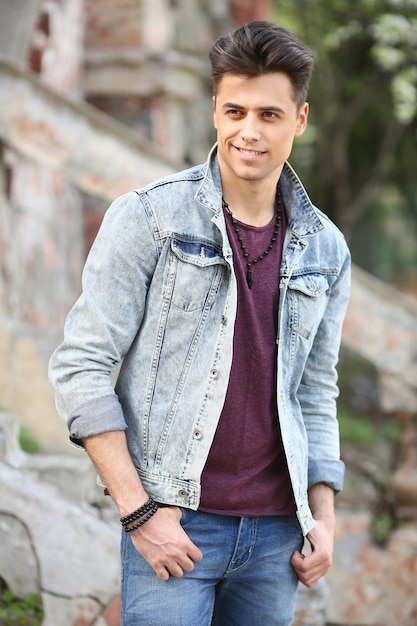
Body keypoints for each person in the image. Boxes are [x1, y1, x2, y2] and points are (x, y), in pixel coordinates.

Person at [49, 20, 351, 626]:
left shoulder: (326, 249)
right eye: (234, 110)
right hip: (175, 526)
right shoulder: (147, 218)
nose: (249, 131)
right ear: (214, 109)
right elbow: (81, 367)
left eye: (269, 114)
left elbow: (315, 393)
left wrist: (323, 515)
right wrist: (140, 514)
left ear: (300, 119)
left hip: (276, 539)